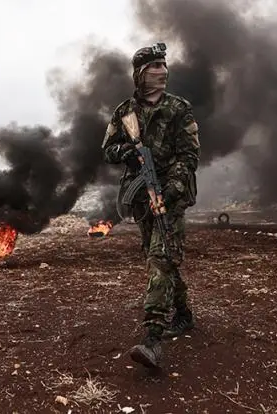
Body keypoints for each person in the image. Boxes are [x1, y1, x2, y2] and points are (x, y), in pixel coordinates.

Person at [101, 43, 201, 368]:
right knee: (161, 257)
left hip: (170, 197)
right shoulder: (124, 112)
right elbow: (108, 148)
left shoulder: (178, 108)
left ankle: (152, 339)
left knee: (160, 259)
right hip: (141, 198)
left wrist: (169, 191)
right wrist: (127, 153)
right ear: (140, 74)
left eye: (163, 64)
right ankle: (183, 313)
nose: (161, 70)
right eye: (154, 65)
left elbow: (189, 156)